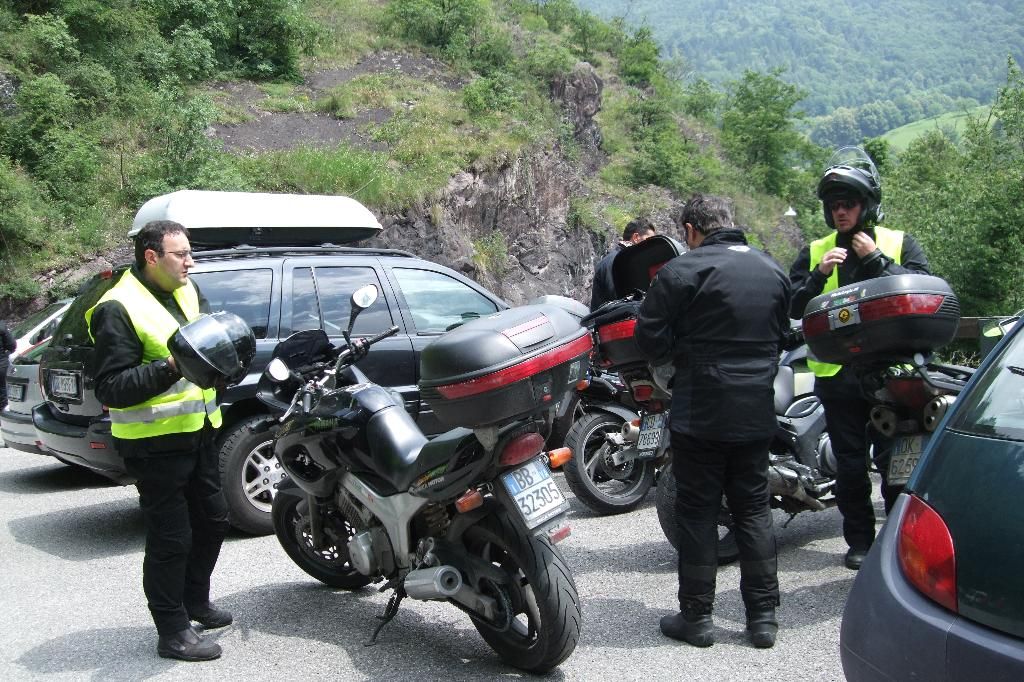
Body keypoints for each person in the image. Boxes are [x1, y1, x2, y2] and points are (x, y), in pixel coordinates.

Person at [636, 194, 790, 649]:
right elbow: (783, 334)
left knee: (698, 513)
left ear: (690, 230)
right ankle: (763, 619)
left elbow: (649, 339)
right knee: (754, 510)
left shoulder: (681, 271)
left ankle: (697, 618)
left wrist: (680, 351)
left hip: (700, 411)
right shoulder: (772, 269)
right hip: (756, 410)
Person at [86, 220, 231, 661]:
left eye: (190, 252)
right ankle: (172, 632)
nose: (191, 262)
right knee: (172, 538)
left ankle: (194, 602)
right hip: (153, 445)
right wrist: (171, 366)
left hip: (199, 431)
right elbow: (111, 387)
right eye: (181, 254)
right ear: (151, 257)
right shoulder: (117, 307)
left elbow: (209, 345)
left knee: (214, 520)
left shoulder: (188, 290)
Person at [788, 147, 929, 571]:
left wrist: (876, 260)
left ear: (866, 205)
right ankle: (861, 542)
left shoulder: (897, 242)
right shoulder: (816, 250)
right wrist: (817, 276)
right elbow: (792, 306)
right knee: (849, 466)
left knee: (895, 462)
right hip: (838, 376)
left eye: (848, 203)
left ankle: (898, 540)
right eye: (834, 205)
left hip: (891, 374)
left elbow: (923, 290)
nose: (840, 212)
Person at [589, 217, 656, 310]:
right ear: (636, 237)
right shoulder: (616, 261)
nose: (652, 246)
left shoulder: (626, 260)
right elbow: (617, 299)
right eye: (649, 240)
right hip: (609, 318)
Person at [0, 320, 16, 411]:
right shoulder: (1, 326)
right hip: (2, 365)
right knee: (4, 392)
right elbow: (12, 345)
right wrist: (6, 354)